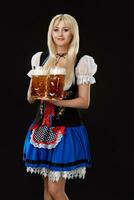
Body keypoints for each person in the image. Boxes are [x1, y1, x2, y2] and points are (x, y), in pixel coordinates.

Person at [23, 13, 97, 200]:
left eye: (65, 30)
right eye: (56, 30)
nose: (60, 34)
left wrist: (58, 102)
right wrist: (36, 89)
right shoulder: (40, 59)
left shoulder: (81, 62)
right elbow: (30, 99)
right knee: (47, 190)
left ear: (73, 33)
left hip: (66, 131)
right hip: (41, 129)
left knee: (56, 190)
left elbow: (84, 102)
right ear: (51, 32)